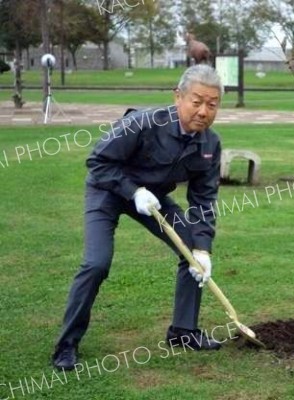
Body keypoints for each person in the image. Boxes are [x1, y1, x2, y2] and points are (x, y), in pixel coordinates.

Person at [52, 65, 224, 370]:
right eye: (196, 101)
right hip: (108, 191)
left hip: (153, 201)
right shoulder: (143, 122)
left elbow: (203, 200)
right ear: (178, 97)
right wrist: (133, 191)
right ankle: (67, 345)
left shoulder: (209, 145)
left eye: (212, 104)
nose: (203, 111)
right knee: (96, 263)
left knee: (192, 252)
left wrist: (202, 248)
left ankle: (183, 332)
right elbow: (98, 162)